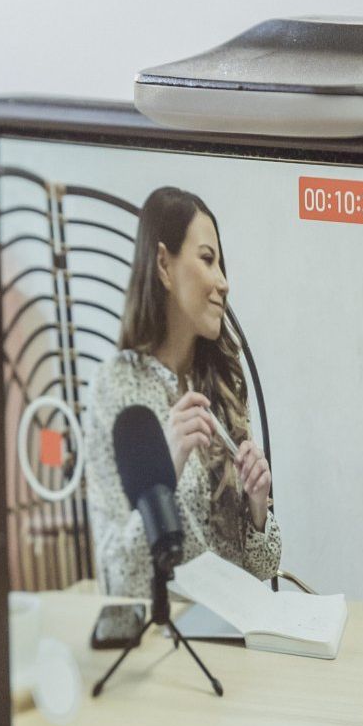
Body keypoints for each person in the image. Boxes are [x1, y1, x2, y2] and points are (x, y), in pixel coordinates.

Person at [84, 186, 281, 595]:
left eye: (222, 265)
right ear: (163, 264)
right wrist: (165, 472)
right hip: (166, 636)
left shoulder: (222, 384)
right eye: (208, 260)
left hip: (233, 630)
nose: (224, 283)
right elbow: (118, 579)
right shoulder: (116, 390)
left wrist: (259, 507)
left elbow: (263, 567)